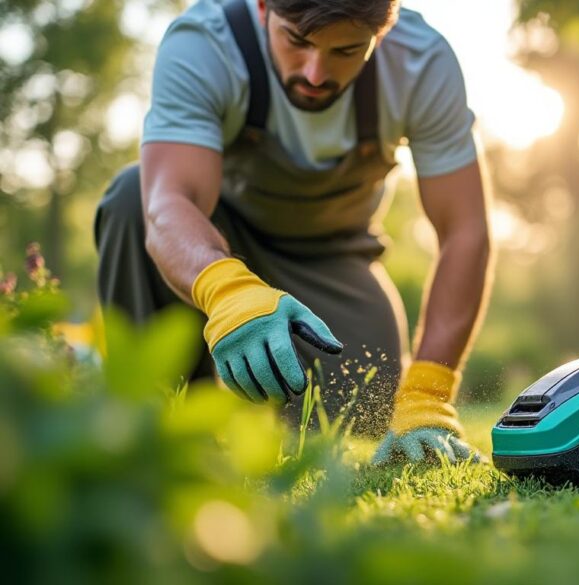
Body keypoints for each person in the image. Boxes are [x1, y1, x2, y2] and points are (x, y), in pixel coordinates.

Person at [93, 0, 493, 465]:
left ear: (381, 33)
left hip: (331, 260)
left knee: (368, 404)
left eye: (346, 50)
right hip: (216, 244)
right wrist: (229, 292)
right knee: (130, 198)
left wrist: (427, 392)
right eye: (296, 41)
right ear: (263, 7)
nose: (316, 73)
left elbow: (465, 230)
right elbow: (167, 206)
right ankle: (155, 429)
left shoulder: (421, 62)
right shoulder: (205, 44)